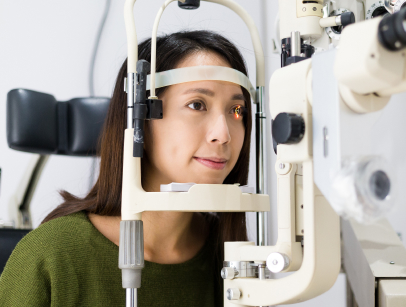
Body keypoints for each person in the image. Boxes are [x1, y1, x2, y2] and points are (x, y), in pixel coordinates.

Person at [0, 30, 252, 307]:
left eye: (236, 110)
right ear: (140, 121)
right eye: (197, 104)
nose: (224, 134)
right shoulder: (52, 254)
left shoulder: (231, 253)